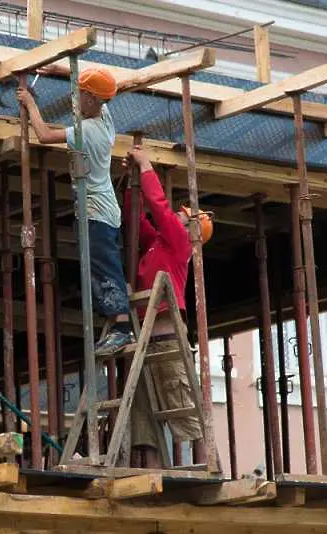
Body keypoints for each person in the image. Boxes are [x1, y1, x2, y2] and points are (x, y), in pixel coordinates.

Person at [17, 67, 133, 356]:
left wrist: (30, 103)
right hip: (100, 209)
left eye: (80, 95)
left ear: (93, 100)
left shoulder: (89, 131)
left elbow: (43, 135)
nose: (74, 99)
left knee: (105, 268)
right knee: (98, 266)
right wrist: (58, 69)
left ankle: (122, 329)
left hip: (97, 211)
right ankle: (116, 323)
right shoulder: (104, 117)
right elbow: (88, 81)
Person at [119, 145, 213, 468]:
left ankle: (204, 466)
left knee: (183, 406)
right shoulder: (157, 244)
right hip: (148, 341)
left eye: (183, 216)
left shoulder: (181, 243)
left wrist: (146, 166)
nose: (176, 214)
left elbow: (158, 207)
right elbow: (136, 218)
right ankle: (155, 470)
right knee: (149, 408)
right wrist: (133, 178)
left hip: (168, 340)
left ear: (190, 228)